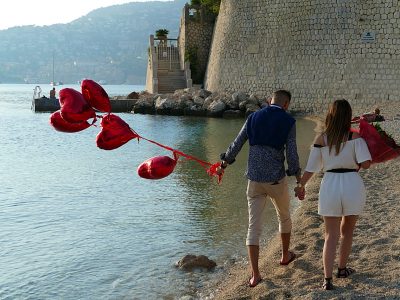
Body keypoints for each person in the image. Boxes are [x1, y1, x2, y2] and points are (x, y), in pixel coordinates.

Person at [219, 90, 301, 287]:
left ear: (269, 101)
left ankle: (255, 275)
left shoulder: (253, 117)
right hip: (275, 181)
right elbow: (292, 152)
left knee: (253, 228)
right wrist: (298, 177)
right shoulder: (288, 121)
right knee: (284, 216)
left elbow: (236, 144)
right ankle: (284, 255)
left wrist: (224, 163)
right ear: (286, 104)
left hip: (254, 181)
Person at [294, 99, 372, 290]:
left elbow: (311, 169)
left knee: (330, 235)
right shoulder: (356, 138)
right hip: (352, 185)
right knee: (347, 232)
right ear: (348, 117)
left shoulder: (321, 139)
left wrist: (301, 185)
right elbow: (367, 163)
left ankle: (327, 280)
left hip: (330, 186)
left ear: (330, 115)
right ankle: (342, 269)